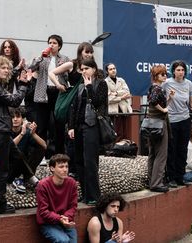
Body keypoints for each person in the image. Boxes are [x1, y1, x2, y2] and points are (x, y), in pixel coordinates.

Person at [0, 56, 29, 213]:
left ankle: (0, 195)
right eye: (3, 68)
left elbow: (8, 82)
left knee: (16, 158)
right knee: (0, 169)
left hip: (0, 130)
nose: (7, 70)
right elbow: (15, 100)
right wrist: (23, 84)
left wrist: (16, 69)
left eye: (8, 68)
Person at [49, 42, 95, 176]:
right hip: (71, 102)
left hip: (84, 102)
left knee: (80, 134)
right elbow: (52, 73)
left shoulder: (92, 67)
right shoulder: (72, 64)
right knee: (71, 134)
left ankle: (79, 166)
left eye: (91, 52)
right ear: (80, 52)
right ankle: (71, 167)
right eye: (87, 52)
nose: (89, 54)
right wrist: (58, 85)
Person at [68, 59, 108, 205]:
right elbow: (74, 107)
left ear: (93, 69)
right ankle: (85, 195)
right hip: (79, 127)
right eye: (82, 69)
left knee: (90, 162)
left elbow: (97, 102)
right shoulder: (79, 87)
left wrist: (89, 86)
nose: (83, 71)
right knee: (79, 161)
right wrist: (71, 126)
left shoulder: (101, 83)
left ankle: (94, 196)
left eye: (86, 68)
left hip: (92, 126)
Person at [31, 34, 69, 156]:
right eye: (50, 42)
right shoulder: (42, 58)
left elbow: (68, 75)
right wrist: (40, 58)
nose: (51, 45)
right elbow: (31, 68)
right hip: (44, 92)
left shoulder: (64, 58)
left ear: (59, 46)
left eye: (54, 43)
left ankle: (59, 153)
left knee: (59, 124)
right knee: (42, 125)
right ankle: (41, 154)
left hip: (59, 92)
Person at [162, 60, 192, 187]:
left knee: (183, 149)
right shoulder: (167, 83)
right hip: (172, 120)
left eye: (182, 70)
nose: (181, 72)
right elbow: (160, 101)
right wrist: (169, 98)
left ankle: (180, 176)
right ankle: (171, 177)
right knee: (172, 149)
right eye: (178, 70)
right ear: (173, 71)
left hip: (185, 119)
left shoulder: (188, 83)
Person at [36, 154, 78, 243]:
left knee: (72, 241)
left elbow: (73, 206)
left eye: (66, 166)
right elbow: (43, 211)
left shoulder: (72, 183)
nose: (65, 169)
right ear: (52, 168)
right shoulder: (43, 185)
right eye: (61, 167)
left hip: (65, 220)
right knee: (63, 240)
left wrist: (66, 218)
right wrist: (60, 219)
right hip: (48, 223)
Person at [146, 65, 172, 193]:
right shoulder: (158, 88)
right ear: (156, 76)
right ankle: (156, 183)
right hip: (159, 124)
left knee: (153, 153)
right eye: (162, 74)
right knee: (161, 154)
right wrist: (164, 109)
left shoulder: (153, 87)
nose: (165, 76)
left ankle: (151, 180)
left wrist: (169, 100)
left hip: (152, 124)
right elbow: (153, 101)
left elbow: (155, 101)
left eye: (165, 74)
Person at [8, 107, 45, 192]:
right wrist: (21, 134)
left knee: (40, 147)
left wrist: (34, 134)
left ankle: (25, 177)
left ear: (22, 119)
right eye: (12, 117)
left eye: (18, 117)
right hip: (9, 166)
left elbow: (44, 146)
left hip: (24, 165)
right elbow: (8, 147)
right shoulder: (6, 131)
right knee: (16, 152)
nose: (15, 119)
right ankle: (29, 177)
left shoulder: (26, 131)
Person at [105, 63, 132, 141]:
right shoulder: (105, 82)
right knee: (116, 133)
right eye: (110, 69)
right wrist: (121, 98)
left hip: (124, 110)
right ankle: (115, 150)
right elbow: (108, 98)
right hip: (113, 112)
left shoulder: (121, 80)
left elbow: (127, 92)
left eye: (114, 68)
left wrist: (116, 93)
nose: (113, 70)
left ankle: (124, 149)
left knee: (125, 133)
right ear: (107, 71)